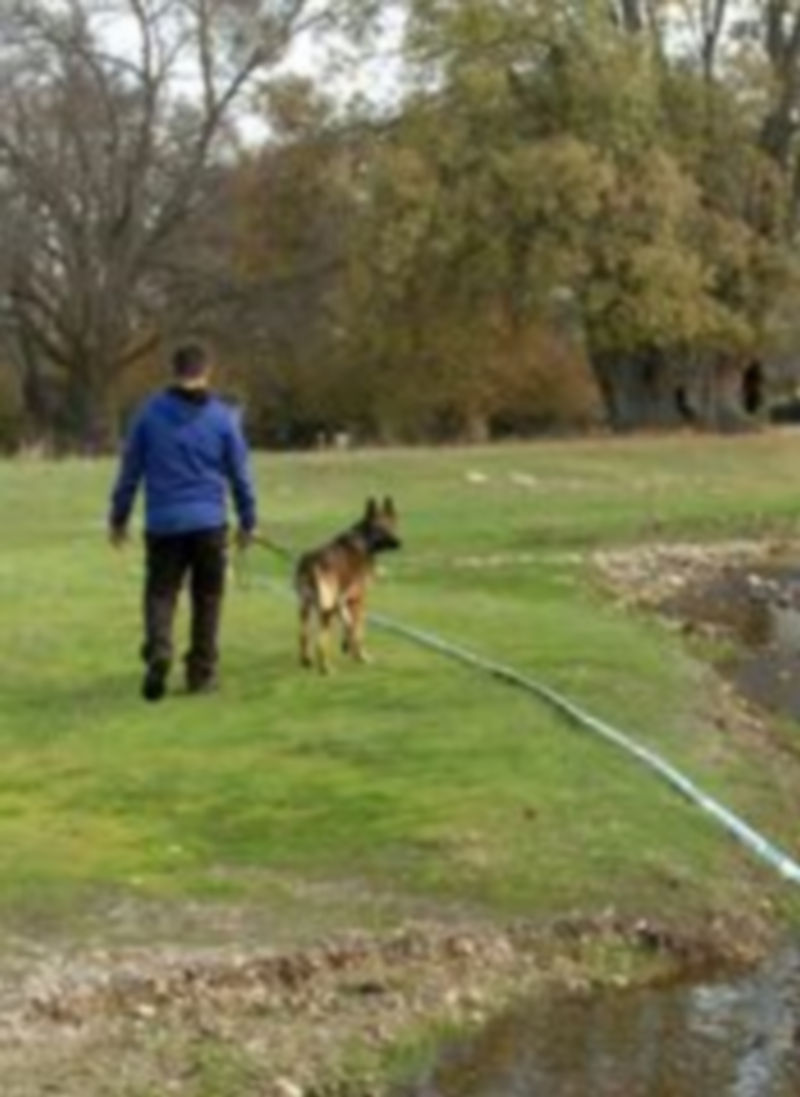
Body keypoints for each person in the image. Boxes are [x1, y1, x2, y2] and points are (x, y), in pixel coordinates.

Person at [108, 343, 257, 701]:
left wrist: (119, 517)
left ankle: (160, 649)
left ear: (174, 372)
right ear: (206, 372)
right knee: (207, 598)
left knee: (161, 593)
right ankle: (200, 674)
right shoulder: (223, 418)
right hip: (209, 524)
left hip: (163, 524)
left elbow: (130, 472)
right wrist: (248, 520)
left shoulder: (148, 414)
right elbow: (239, 474)